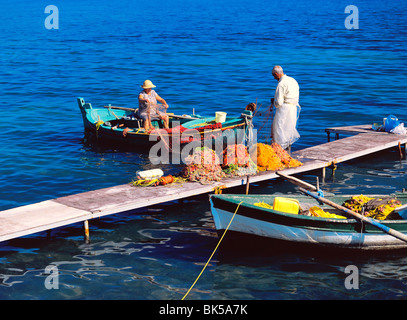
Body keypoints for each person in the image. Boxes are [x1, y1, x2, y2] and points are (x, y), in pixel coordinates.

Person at [270, 66, 300, 150]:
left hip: (284, 109)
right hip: (293, 108)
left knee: (279, 130)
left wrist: (274, 102)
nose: (274, 78)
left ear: (276, 74)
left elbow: (279, 103)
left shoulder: (281, 84)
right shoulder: (293, 80)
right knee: (288, 130)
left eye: (274, 76)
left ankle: (280, 150)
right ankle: (287, 149)